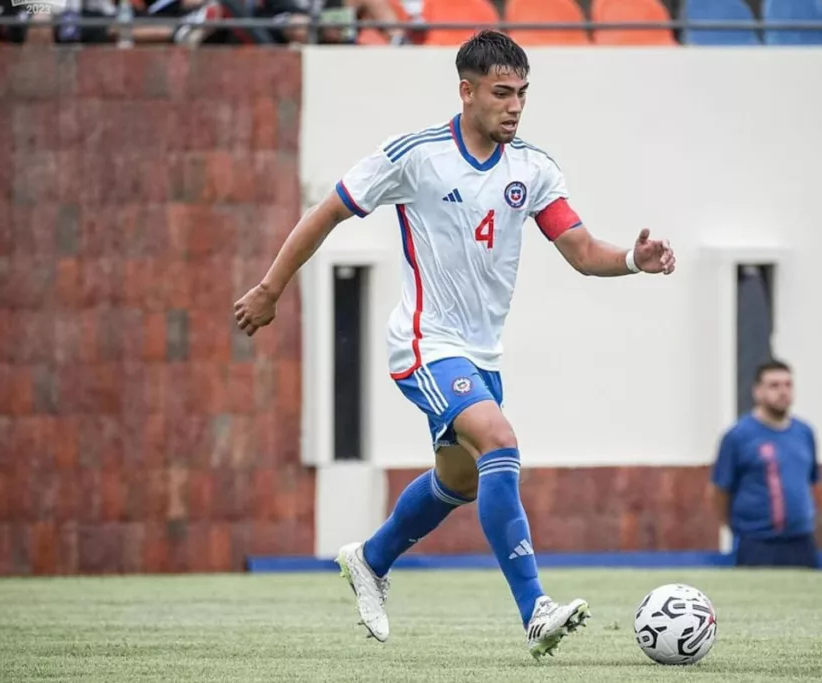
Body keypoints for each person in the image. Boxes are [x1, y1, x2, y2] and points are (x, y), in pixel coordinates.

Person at [233, 30, 676, 659]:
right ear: (466, 91)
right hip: (423, 341)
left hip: (480, 355)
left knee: (460, 481)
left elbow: (581, 252)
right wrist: (271, 289)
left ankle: (371, 558)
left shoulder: (533, 167)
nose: (515, 106)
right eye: (501, 93)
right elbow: (326, 211)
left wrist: (633, 258)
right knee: (499, 440)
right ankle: (535, 610)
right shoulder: (416, 156)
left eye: (522, 93)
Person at [710, 360, 821, 568]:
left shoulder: (804, 433)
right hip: (757, 541)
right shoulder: (738, 436)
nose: (783, 392)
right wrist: (732, 526)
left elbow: (811, 482)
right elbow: (720, 489)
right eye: (774, 385)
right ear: (758, 391)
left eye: (788, 385)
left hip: (801, 540)